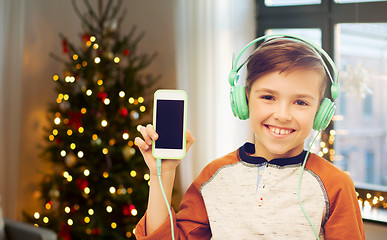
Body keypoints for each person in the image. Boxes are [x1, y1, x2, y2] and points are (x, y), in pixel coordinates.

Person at [134, 36, 365, 239]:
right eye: (268, 97)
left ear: (321, 113)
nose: (282, 115)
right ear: (244, 101)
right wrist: (161, 174)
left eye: (300, 102)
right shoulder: (213, 176)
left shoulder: (336, 186)